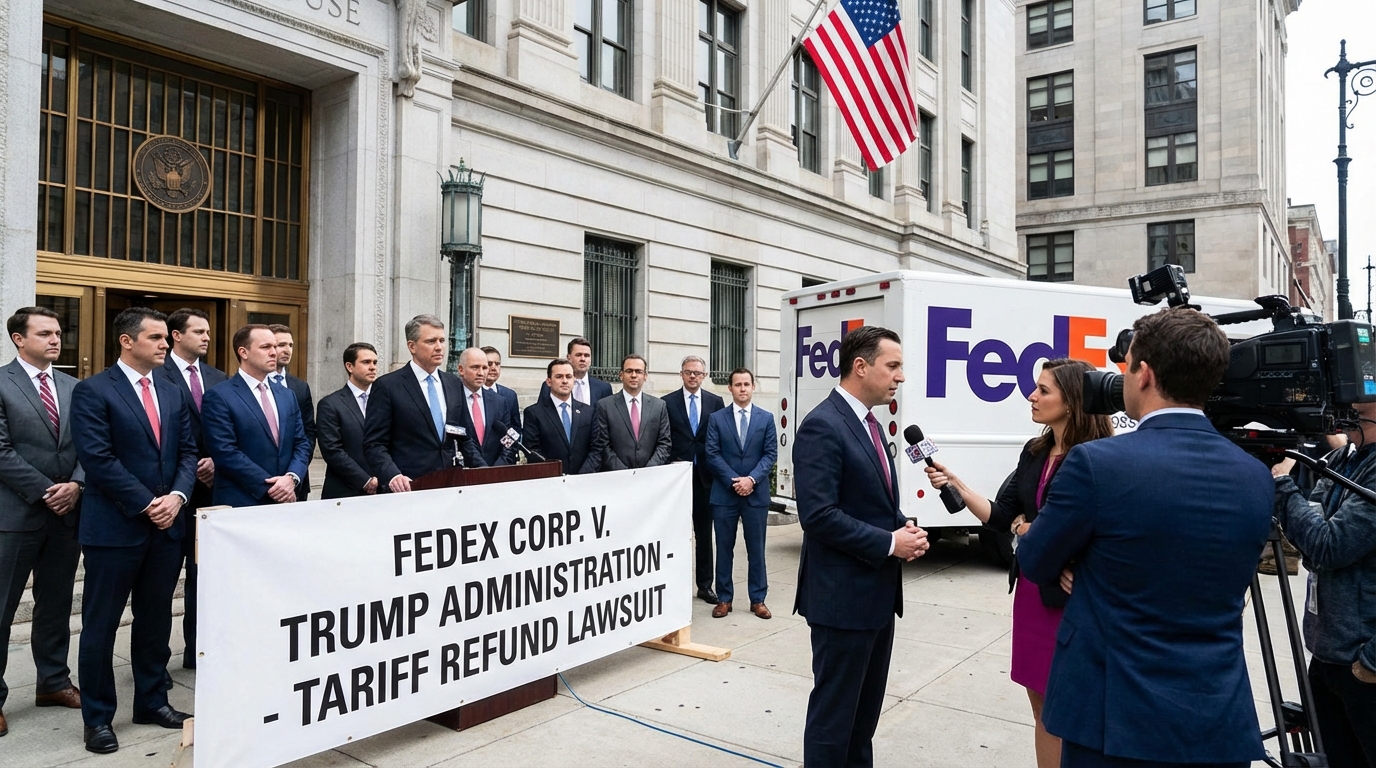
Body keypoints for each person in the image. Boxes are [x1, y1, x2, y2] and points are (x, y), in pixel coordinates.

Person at [1018, 308, 1273, 767]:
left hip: (1113, 721)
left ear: (1145, 375)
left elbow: (1035, 560)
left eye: (1127, 365)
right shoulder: (1255, 475)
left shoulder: (1098, 464)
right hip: (1215, 719)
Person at [924, 358, 1113, 767]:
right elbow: (1001, 513)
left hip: (1071, 599)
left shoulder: (1099, 457)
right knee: (1041, 708)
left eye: (1044, 390)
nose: (1032, 395)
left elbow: (1105, 528)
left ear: (1073, 399)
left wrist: (1041, 536)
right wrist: (956, 483)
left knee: (1072, 714)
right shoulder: (1036, 451)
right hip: (1031, 592)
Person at [793, 325, 930, 768]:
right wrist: (890, 542)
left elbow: (868, 500)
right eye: (893, 366)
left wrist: (902, 528)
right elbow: (817, 516)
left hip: (874, 598)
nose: (900, 377)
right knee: (835, 723)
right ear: (860, 367)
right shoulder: (822, 426)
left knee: (861, 722)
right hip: (841, 602)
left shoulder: (870, 423)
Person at [70, 307, 197, 754]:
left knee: (156, 618)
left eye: (166, 337)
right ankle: (99, 719)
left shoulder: (171, 391)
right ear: (127, 341)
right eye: (157, 337)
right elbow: (98, 459)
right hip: (115, 527)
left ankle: (152, 702)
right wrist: (147, 503)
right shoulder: (92, 391)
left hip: (166, 528)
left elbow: (187, 452)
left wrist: (178, 498)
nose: (166, 344)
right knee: (100, 626)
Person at [1271, 411, 1376, 765]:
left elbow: (1328, 545)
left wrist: (1281, 482)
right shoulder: (1345, 457)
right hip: (1329, 652)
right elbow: (1313, 540)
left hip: (1364, 664)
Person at [0, 307, 85, 737]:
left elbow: (92, 444)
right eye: (45, 333)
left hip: (68, 516)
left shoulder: (74, 386)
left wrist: (77, 485)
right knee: (1, 609)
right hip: (16, 515)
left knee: (55, 606)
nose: (56, 339)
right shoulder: (0, 383)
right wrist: (46, 489)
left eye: (57, 332)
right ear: (19, 338)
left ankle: (53, 682)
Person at [155, 308, 227, 671]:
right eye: (198, 331)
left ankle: (197, 652)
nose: (207, 337)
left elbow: (230, 426)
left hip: (213, 494)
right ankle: (156, 659)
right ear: (176, 336)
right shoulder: (154, 374)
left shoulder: (218, 377)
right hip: (170, 493)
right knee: (163, 583)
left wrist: (216, 460)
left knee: (205, 579)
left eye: (208, 332)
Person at [363, 315, 484, 492]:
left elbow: (466, 437)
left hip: (449, 486)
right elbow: (374, 444)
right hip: (408, 488)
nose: (439, 347)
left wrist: (484, 471)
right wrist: (393, 475)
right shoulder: (388, 386)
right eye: (431, 341)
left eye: (442, 340)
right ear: (412, 346)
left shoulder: (453, 383)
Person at [201, 325, 313, 509]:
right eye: (265, 347)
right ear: (243, 352)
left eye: (275, 347)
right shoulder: (219, 396)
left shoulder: (287, 395)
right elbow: (225, 451)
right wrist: (272, 487)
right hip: (243, 500)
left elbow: (301, 443)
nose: (274, 352)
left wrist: (292, 478)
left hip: (288, 499)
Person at [704, 368, 777, 620]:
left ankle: (758, 599)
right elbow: (711, 454)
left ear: (753, 387)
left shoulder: (766, 418)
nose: (742, 388)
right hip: (725, 494)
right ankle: (724, 599)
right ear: (730, 388)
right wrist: (734, 481)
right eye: (738, 384)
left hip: (755, 495)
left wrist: (751, 480)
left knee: (756, 549)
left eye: (747, 384)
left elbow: (770, 454)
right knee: (724, 548)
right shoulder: (717, 418)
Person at [664, 355, 726, 604]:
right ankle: (674, 584)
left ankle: (704, 585)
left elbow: (721, 438)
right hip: (677, 479)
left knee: (704, 534)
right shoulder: (666, 402)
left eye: (698, 373)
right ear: (681, 374)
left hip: (705, 479)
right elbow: (664, 437)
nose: (693, 376)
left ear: (704, 376)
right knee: (676, 534)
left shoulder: (715, 401)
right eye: (689, 372)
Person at [588, 353, 671, 471]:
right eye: (629, 371)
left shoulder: (659, 406)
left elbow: (664, 443)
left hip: (650, 476)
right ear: (621, 375)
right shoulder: (604, 406)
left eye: (638, 371)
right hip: (617, 477)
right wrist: (625, 472)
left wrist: (649, 470)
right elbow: (602, 445)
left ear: (645, 376)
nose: (634, 375)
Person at [317, 343, 379, 499]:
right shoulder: (330, 404)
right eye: (366, 362)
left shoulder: (384, 402)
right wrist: (365, 481)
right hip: (344, 491)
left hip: (383, 489)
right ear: (349, 367)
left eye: (374, 362)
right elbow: (332, 450)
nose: (372, 367)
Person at [521, 358, 597, 474]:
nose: (565, 381)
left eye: (569, 376)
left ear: (574, 380)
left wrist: (582, 475)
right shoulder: (534, 413)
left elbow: (596, 448)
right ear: (549, 381)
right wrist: (555, 474)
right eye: (559, 377)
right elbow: (533, 451)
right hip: (550, 481)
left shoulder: (589, 412)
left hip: (583, 480)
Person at [267, 324, 315, 500]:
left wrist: (295, 472)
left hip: (296, 480)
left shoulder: (300, 387)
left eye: (290, 345)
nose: (287, 350)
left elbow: (308, 433)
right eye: (281, 345)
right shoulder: (250, 386)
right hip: (265, 481)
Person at [456, 347, 516, 467]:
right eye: (475, 367)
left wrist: (497, 469)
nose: (481, 373)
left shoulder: (499, 401)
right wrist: (483, 469)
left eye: (484, 368)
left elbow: (509, 440)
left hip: (496, 474)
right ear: (461, 370)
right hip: (464, 474)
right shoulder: (452, 399)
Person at [539, 337, 612, 406]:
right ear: (568, 357)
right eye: (578, 355)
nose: (583, 359)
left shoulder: (604, 388)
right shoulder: (550, 385)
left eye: (586, 355)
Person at [482, 346, 522, 432]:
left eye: (497, 364)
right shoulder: (473, 394)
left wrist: (507, 445)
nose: (493, 368)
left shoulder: (510, 395)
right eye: (489, 364)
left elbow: (515, 428)